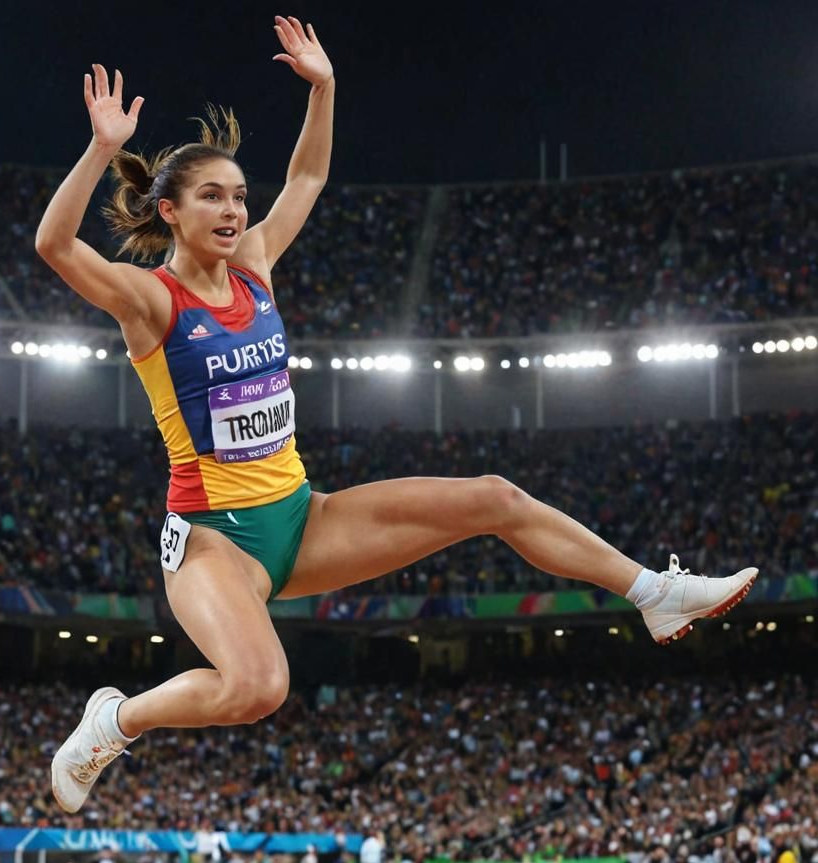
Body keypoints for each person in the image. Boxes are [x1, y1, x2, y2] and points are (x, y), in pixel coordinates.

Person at [40, 17, 759, 816]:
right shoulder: (150, 301)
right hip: (214, 542)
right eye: (212, 195)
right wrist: (103, 149)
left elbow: (306, 180)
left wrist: (325, 88)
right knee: (257, 687)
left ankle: (654, 593)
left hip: (300, 518)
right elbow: (55, 245)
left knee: (494, 497)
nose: (236, 210)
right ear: (169, 211)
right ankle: (114, 720)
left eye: (240, 195)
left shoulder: (254, 272)